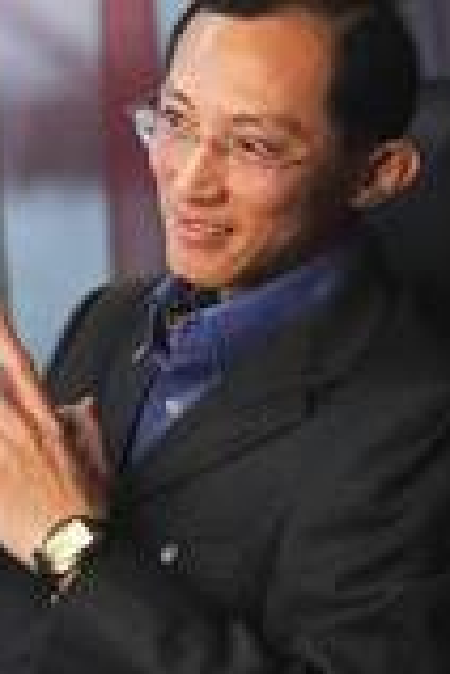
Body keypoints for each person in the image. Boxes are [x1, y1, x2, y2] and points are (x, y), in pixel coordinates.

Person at [1, 1, 450, 672]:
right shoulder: (111, 316)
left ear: (376, 174)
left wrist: (73, 546)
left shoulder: (415, 420)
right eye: (175, 120)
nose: (187, 182)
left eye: (253, 146)